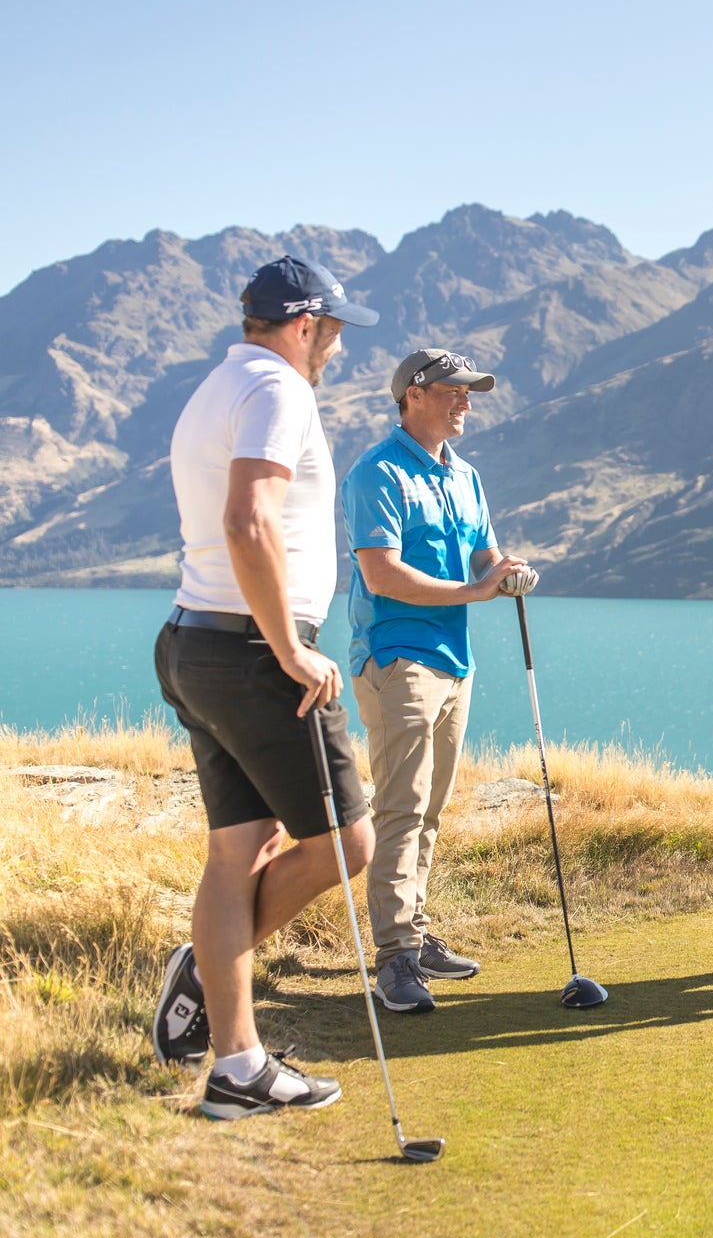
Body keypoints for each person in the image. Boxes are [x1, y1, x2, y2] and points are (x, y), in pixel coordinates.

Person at [151, 255, 380, 1119]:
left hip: (195, 642)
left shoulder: (216, 384)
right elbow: (248, 518)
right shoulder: (280, 389)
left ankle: (236, 1065)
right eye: (333, 332)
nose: (336, 350)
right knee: (346, 844)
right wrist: (289, 647)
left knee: (237, 852)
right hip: (254, 655)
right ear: (304, 324)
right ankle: (215, 977)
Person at [341, 348, 535, 1013]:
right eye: (454, 389)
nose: (466, 400)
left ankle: (415, 933)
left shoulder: (466, 475)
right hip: (396, 657)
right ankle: (393, 957)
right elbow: (382, 575)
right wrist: (475, 591)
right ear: (414, 394)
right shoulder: (379, 472)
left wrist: (505, 573)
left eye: (470, 391)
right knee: (401, 806)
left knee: (431, 807)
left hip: (454, 659)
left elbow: (483, 555)